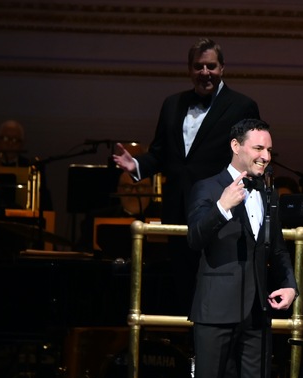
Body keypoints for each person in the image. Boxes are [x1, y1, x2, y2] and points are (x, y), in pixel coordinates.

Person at [112, 37, 261, 313]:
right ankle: (189, 351)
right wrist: (136, 166)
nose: (205, 72)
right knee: (182, 285)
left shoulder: (242, 106)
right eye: (199, 66)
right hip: (178, 209)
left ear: (223, 68)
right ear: (189, 69)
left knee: (217, 281)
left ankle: (215, 351)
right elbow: (160, 153)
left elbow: (250, 156)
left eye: (211, 66)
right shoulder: (172, 104)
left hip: (221, 208)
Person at [186, 119, 297, 378]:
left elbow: (276, 248)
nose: (265, 156)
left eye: (268, 150)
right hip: (215, 310)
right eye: (258, 148)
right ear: (237, 146)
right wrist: (222, 207)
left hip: (255, 311)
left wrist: (290, 285)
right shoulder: (208, 187)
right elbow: (194, 238)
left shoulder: (268, 192)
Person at [76, 172, 162, 252]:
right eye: (127, 187)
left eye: (141, 187)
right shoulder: (97, 217)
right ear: (118, 190)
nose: (134, 192)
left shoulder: (164, 217)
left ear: (151, 190)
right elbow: (82, 251)